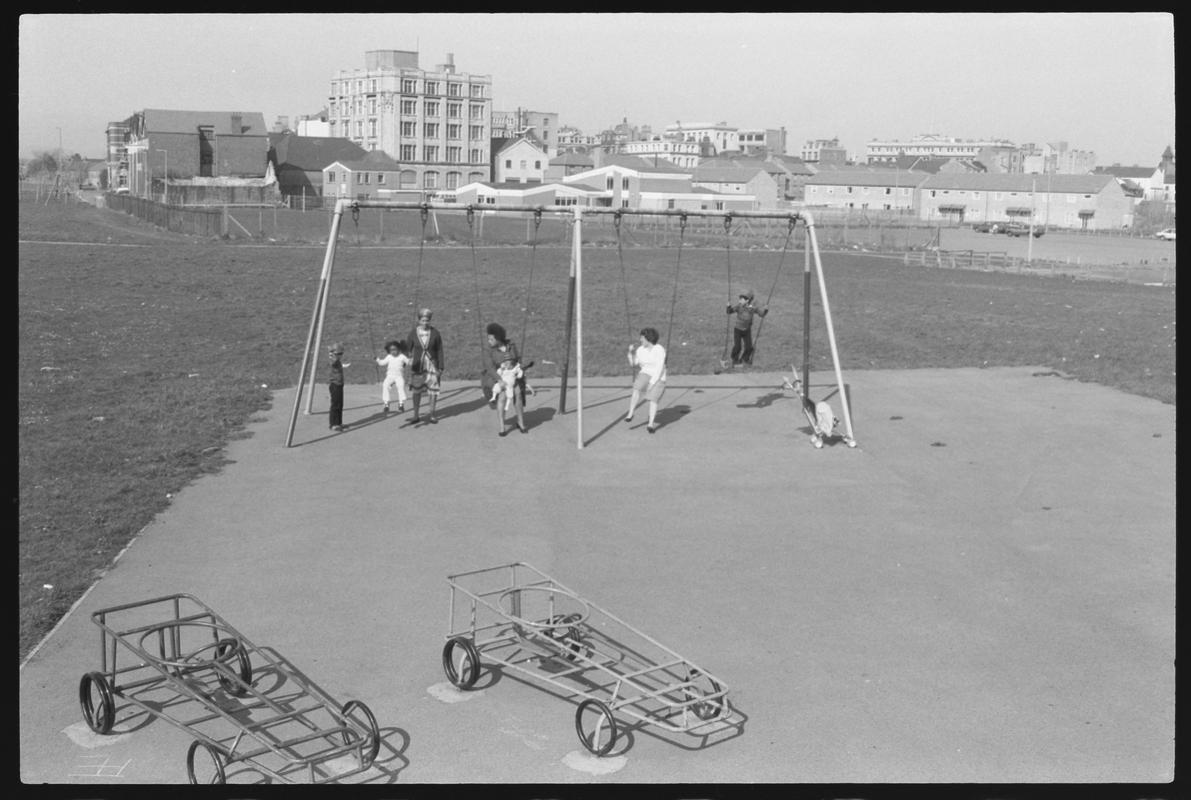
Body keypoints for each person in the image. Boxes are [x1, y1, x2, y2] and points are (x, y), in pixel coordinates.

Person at [480, 322, 528, 436]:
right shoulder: (488, 350)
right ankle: (502, 426)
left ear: (498, 338)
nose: (489, 341)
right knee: (502, 395)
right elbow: (490, 368)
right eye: (488, 339)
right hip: (495, 377)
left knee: (518, 393)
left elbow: (518, 359)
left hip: (511, 375)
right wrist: (500, 380)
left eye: (491, 339)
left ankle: (520, 422)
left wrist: (518, 369)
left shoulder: (511, 345)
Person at [405, 308, 444, 423]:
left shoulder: (435, 333)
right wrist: (406, 359)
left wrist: (441, 366)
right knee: (417, 391)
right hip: (418, 366)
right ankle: (416, 415)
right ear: (419, 320)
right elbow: (407, 349)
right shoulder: (413, 333)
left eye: (427, 320)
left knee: (433, 390)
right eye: (423, 320)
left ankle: (432, 414)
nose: (425, 323)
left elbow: (440, 350)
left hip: (432, 365)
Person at [625, 326, 666, 434]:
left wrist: (652, 384)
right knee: (637, 388)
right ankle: (631, 413)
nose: (640, 340)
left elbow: (659, 368)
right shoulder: (640, 350)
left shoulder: (659, 350)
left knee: (653, 399)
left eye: (642, 338)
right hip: (645, 372)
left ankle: (650, 424)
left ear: (648, 338)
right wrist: (630, 353)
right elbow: (634, 364)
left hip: (659, 375)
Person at [726, 289, 768, 366]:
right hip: (738, 330)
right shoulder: (738, 306)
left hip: (747, 330)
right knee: (737, 346)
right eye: (740, 299)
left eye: (741, 299)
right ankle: (735, 359)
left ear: (747, 300)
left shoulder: (753, 308)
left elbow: (761, 314)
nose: (739, 301)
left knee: (749, 347)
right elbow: (729, 312)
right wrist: (728, 306)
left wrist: (765, 310)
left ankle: (744, 359)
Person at [375, 339, 411, 413]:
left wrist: (412, 359)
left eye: (395, 349)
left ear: (399, 349)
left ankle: (401, 404)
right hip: (390, 376)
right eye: (391, 350)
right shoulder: (389, 357)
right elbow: (382, 363)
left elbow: (409, 362)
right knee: (385, 385)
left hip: (399, 376)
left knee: (400, 386)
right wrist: (378, 360)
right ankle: (386, 404)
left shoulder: (402, 356)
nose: (393, 352)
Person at [326, 341, 350, 432]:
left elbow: (338, 364)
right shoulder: (332, 359)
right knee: (335, 405)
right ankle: (333, 424)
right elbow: (334, 363)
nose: (340, 355)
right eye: (338, 353)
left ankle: (339, 422)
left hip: (340, 384)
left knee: (340, 404)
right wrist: (332, 353)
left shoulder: (338, 360)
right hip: (334, 385)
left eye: (341, 353)